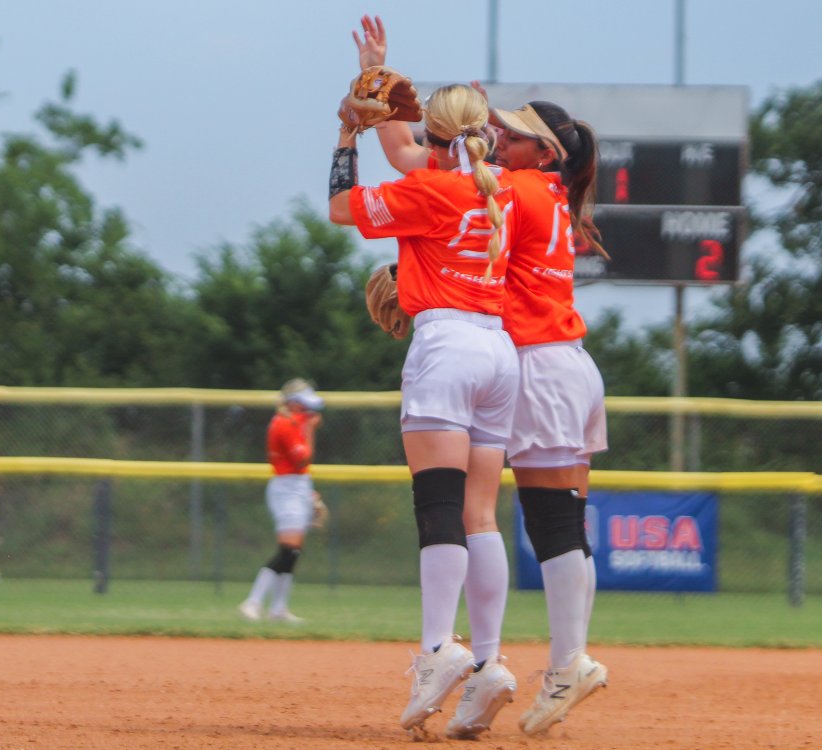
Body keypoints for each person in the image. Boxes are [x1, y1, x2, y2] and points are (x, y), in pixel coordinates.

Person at [352, 15, 609, 736]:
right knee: (552, 520)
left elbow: (413, 163)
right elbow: (431, 163)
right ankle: (556, 662)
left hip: (526, 357)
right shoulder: (544, 195)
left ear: (542, 150)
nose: (499, 133)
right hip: (561, 361)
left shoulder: (516, 191)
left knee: (505, 517)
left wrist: (378, 88)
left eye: (513, 130)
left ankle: (550, 659)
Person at [329, 76, 521, 736]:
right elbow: (413, 154)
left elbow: (340, 209)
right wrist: (389, 96)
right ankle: (491, 663)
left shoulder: (431, 188)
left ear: (434, 139)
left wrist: (348, 131)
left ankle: (440, 649)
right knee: (481, 513)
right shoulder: (498, 189)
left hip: (446, 347)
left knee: (438, 506)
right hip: (501, 352)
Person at [239, 379, 326, 624]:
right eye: (305, 405)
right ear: (294, 404)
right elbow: (302, 459)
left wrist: (309, 493)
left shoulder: (293, 422)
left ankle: (278, 608)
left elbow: (302, 470)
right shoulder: (284, 424)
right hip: (286, 488)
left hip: (297, 485)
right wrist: (310, 429)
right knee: (288, 550)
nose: (310, 411)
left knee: (294, 552)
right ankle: (253, 602)